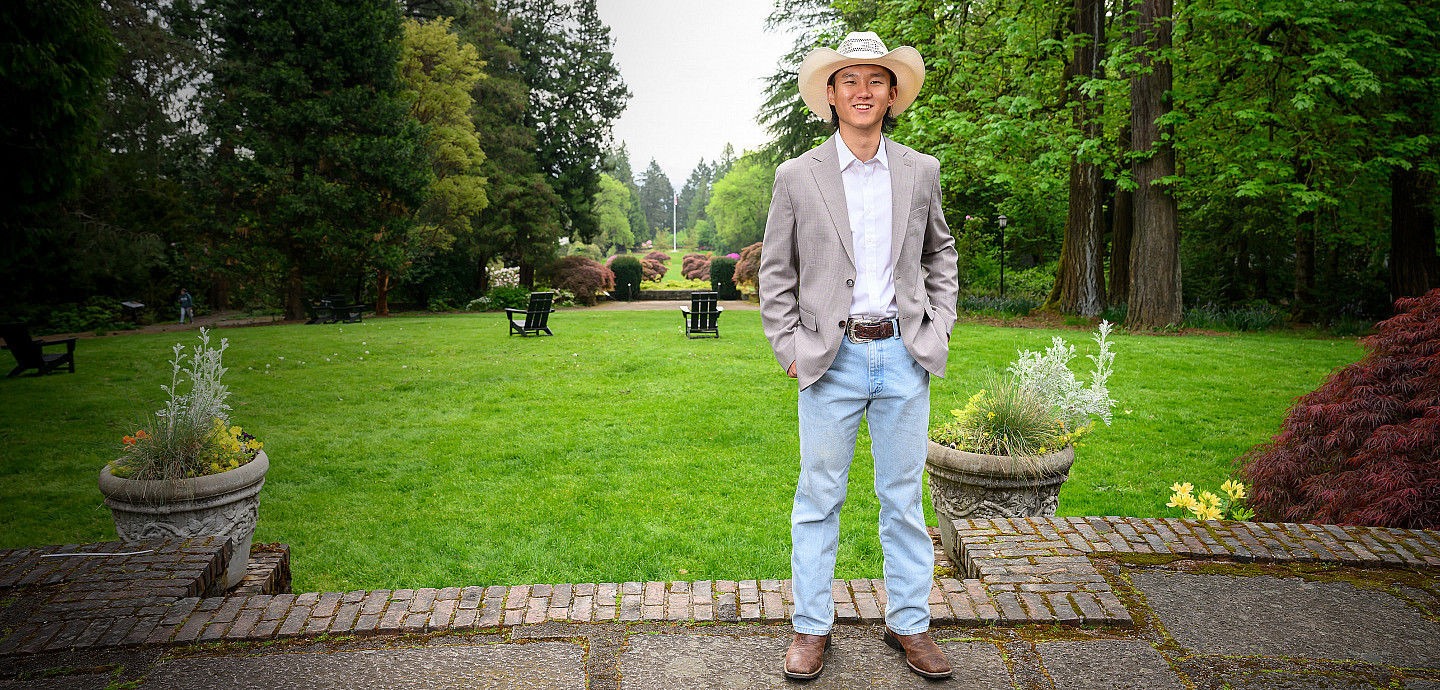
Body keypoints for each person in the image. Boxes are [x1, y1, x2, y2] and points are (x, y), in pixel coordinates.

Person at [758, 31, 959, 680]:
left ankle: (909, 625)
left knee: (903, 500)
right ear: (831, 95)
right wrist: (790, 349)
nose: (863, 90)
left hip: (904, 356)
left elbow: (940, 256)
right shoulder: (797, 176)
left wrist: (939, 328)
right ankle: (812, 629)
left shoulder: (920, 171)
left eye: (875, 79)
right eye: (850, 80)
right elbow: (775, 272)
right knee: (819, 499)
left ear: (892, 94)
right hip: (829, 361)